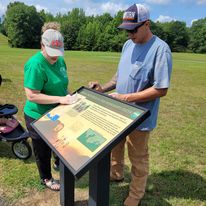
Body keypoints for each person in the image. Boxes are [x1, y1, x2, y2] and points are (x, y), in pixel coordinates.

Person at [89, 3, 172, 206]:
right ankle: (116, 174)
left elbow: (161, 89)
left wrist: (126, 98)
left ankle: (135, 194)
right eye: (126, 30)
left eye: (133, 30)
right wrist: (103, 88)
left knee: (138, 157)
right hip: (118, 112)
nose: (129, 35)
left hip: (140, 117)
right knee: (115, 148)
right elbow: (119, 77)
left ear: (147, 24)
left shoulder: (161, 49)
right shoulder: (128, 45)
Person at [24, 26, 73, 191]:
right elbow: (32, 95)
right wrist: (61, 99)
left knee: (60, 141)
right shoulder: (35, 64)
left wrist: (70, 96)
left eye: (58, 51)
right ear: (42, 46)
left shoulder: (60, 60)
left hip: (57, 112)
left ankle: (58, 162)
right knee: (42, 149)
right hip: (37, 116)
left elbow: (62, 85)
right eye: (51, 51)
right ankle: (46, 178)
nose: (55, 56)